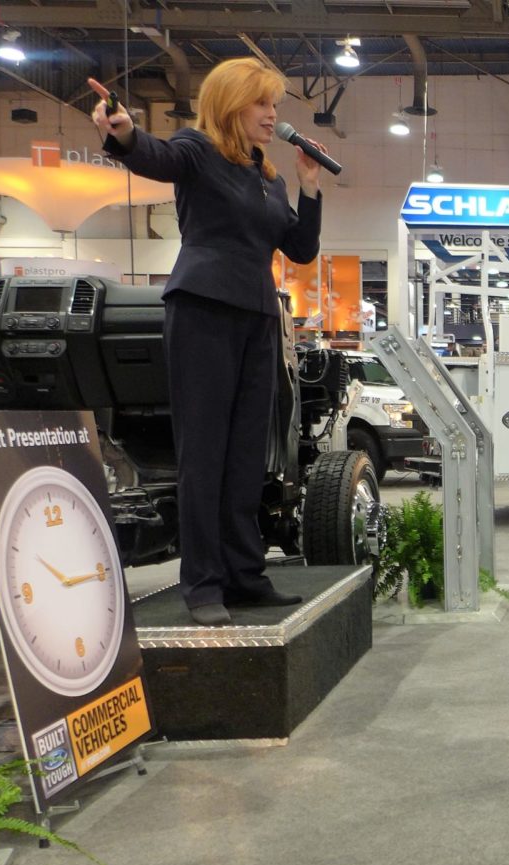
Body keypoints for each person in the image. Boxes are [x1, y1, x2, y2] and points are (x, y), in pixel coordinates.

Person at [89, 62, 325, 627]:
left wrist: (309, 185)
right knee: (205, 451)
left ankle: (245, 574)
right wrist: (121, 130)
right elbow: (152, 155)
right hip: (202, 311)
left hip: (257, 317)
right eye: (262, 105)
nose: (273, 116)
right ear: (231, 105)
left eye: (275, 105)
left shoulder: (267, 177)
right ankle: (202, 582)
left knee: (248, 452)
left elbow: (301, 250)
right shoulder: (196, 150)